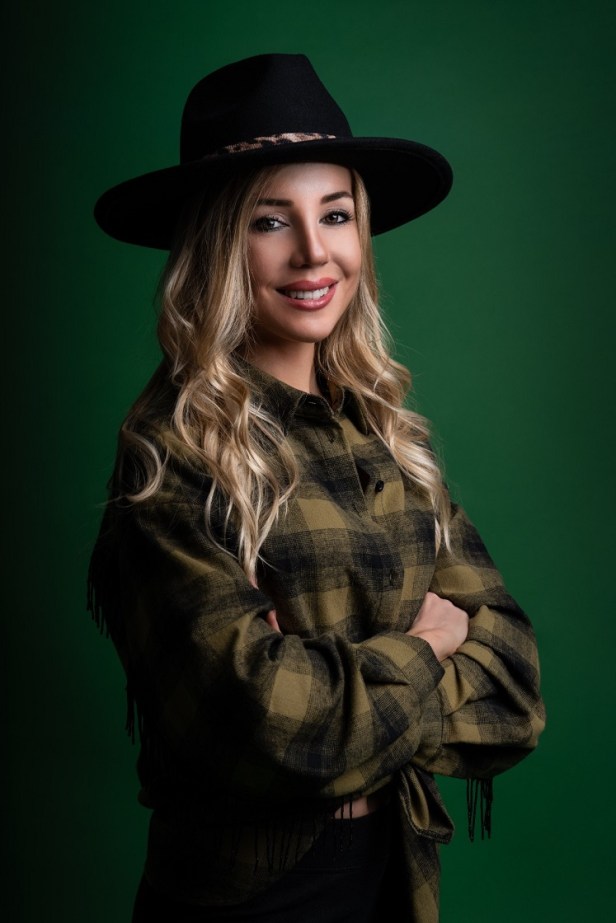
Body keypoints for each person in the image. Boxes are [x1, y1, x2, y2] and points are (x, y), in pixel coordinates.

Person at [89, 53, 545, 923]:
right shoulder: (171, 451)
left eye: (336, 214)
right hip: (244, 897)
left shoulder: (388, 438)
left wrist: (340, 694)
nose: (313, 251)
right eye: (270, 220)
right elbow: (270, 722)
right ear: (217, 244)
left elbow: (515, 686)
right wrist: (430, 643)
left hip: (394, 875)